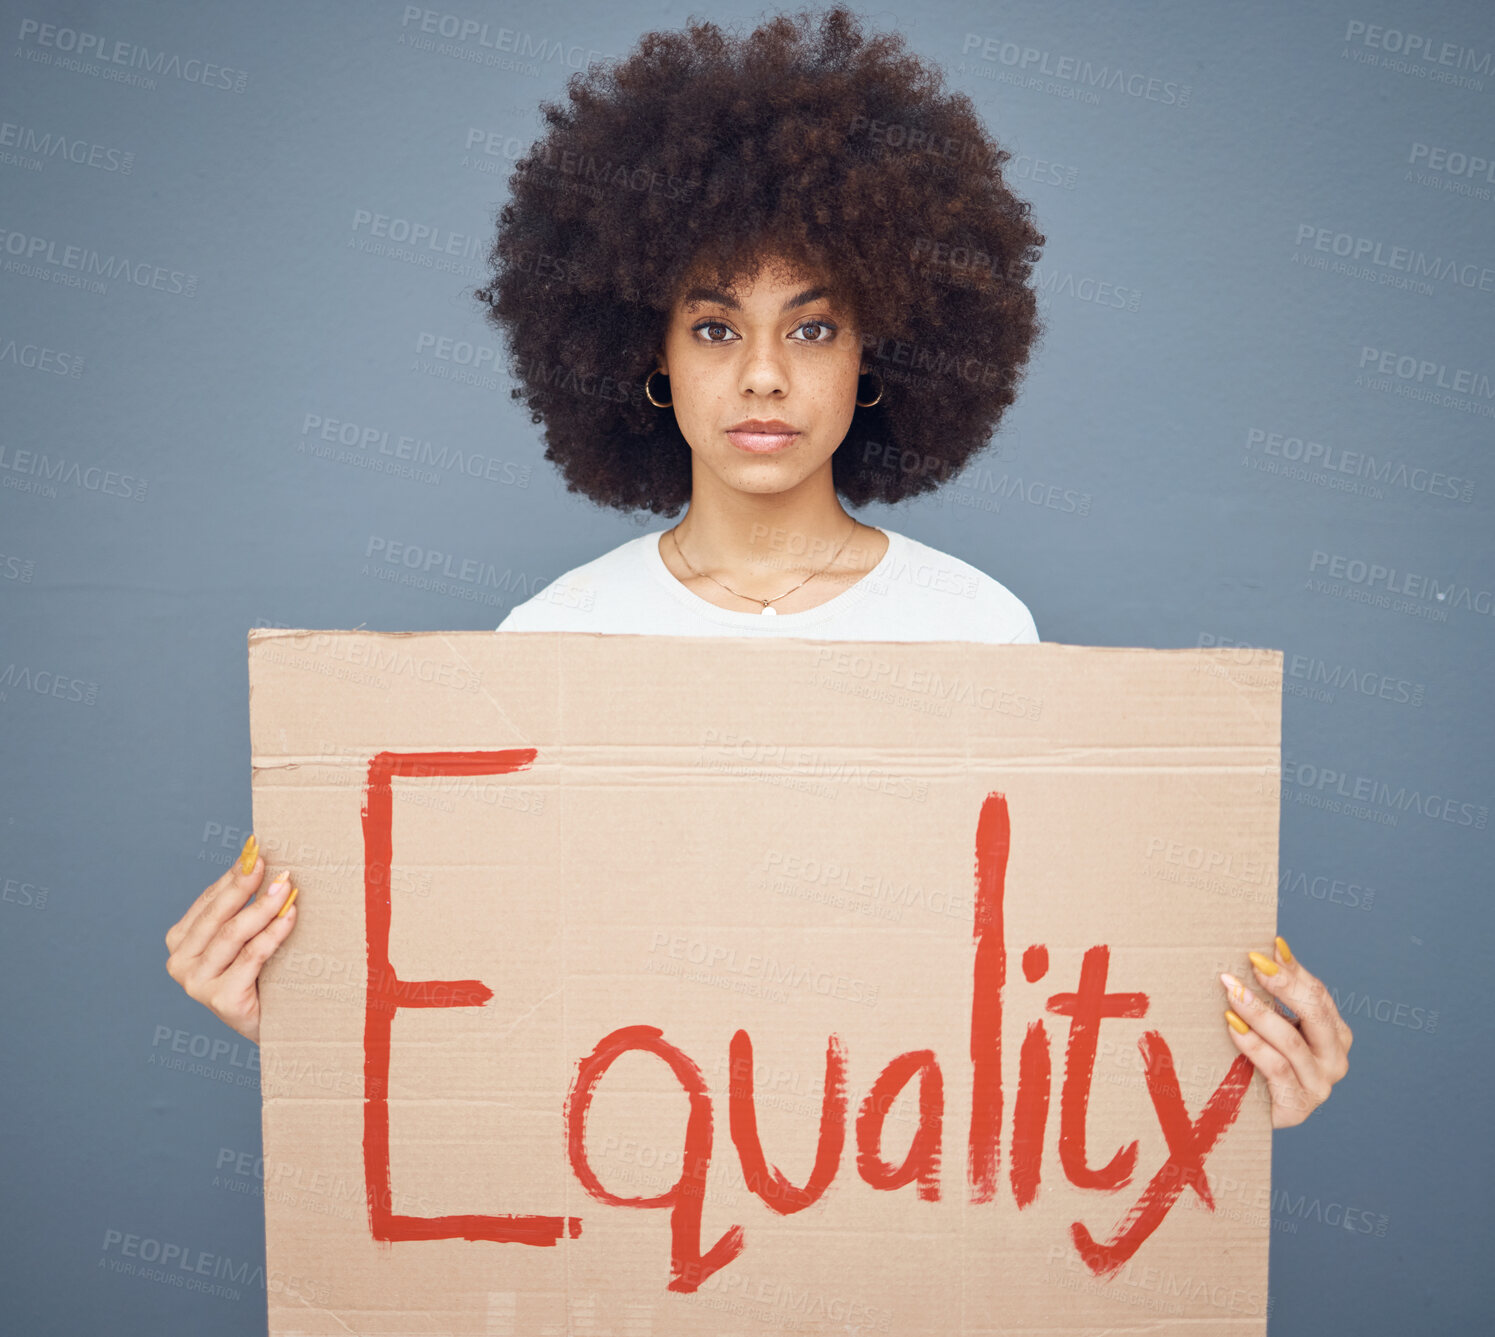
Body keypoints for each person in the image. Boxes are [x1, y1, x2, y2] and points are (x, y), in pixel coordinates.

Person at [165, 5, 1348, 1130]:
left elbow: (1031, 1006)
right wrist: (313, 1018)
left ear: (882, 351)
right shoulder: (550, 640)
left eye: (814, 326)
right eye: (718, 327)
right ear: (650, 354)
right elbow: (513, 1007)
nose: (766, 376)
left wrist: (1232, 1089)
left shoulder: (979, 630)